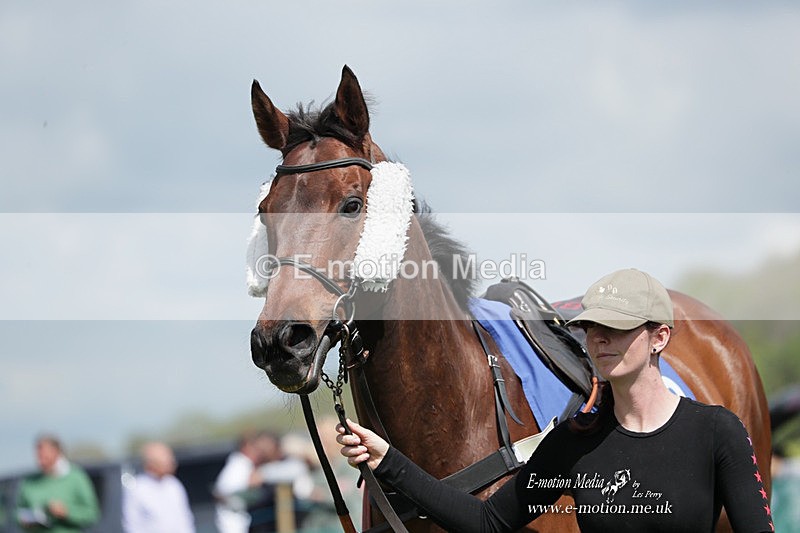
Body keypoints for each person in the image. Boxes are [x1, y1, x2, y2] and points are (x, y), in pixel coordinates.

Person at [337, 268, 775, 532]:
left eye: (618, 328)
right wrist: (389, 460)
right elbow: (487, 523)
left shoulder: (718, 432)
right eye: (592, 327)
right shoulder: (573, 443)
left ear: (660, 336)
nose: (600, 340)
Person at [16, 434, 100, 533]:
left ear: (56, 451)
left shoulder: (76, 477)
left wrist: (67, 512)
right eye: (38, 454)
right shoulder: (29, 481)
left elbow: (92, 514)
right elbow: (17, 512)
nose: (39, 459)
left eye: (43, 454)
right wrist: (23, 520)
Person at [213, 430, 279, 533]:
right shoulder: (239, 465)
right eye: (255, 446)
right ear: (246, 446)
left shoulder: (244, 465)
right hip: (234, 523)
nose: (259, 451)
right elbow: (222, 494)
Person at [122, 441, 195, 533]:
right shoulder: (137, 489)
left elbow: (185, 519)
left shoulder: (174, 485)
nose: (172, 463)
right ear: (151, 464)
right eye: (165, 460)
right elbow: (132, 525)